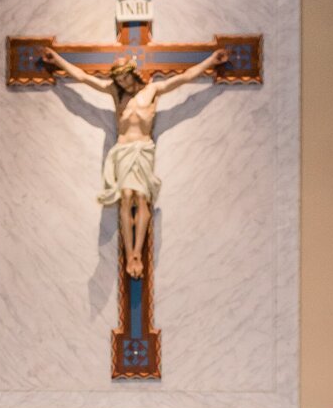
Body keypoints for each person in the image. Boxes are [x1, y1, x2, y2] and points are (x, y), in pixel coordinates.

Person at [42, 46, 227, 277]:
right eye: (119, 79)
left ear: (133, 73)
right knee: (126, 197)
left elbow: (185, 78)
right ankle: (129, 253)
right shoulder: (115, 93)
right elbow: (82, 78)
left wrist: (211, 60)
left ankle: (138, 252)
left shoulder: (152, 91)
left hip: (143, 150)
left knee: (141, 198)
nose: (123, 83)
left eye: (125, 77)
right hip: (123, 151)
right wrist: (57, 59)